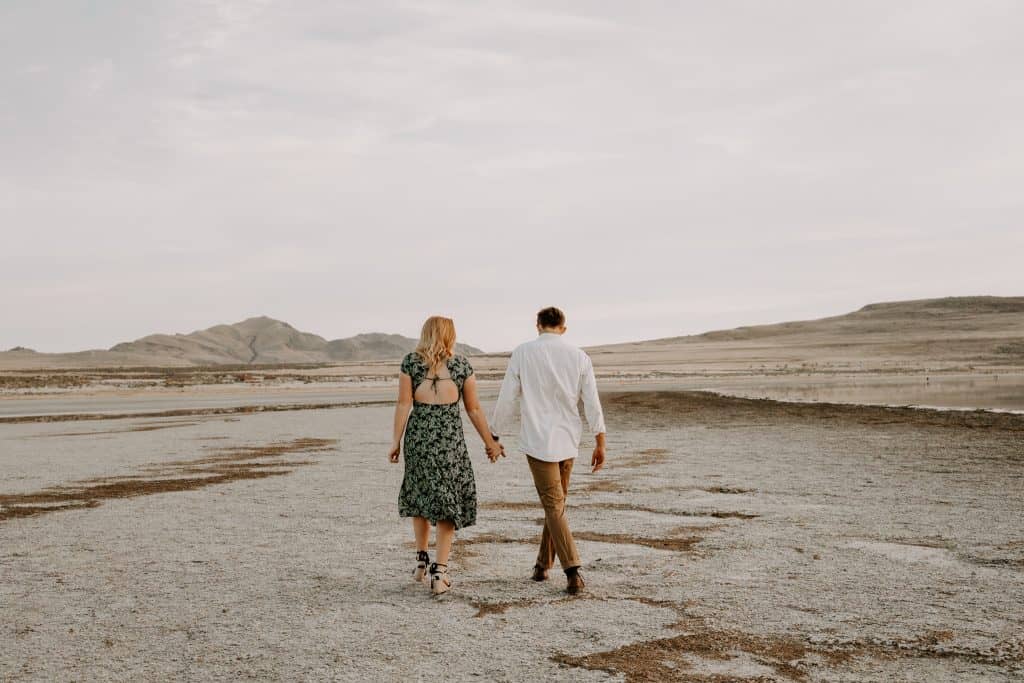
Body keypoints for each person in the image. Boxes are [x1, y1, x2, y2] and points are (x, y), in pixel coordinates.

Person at [490, 306, 607, 595]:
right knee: (556, 505)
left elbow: (508, 396)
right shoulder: (579, 356)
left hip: (539, 441)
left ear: (538, 326)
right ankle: (542, 565)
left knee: (554, 506)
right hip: (568, 440)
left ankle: (573, 570)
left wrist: (494, 432)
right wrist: (600, 439)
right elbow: (591, 400)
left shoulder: (523, 352)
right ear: (563, 328)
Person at [389, 316, 503, 596]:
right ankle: (439, 572)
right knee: (447, 502)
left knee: (419, 495)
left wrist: (396, 441)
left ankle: (421, 561)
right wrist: (490, 443)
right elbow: (474, 409)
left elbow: (404, 403)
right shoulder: (462, 365)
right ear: (450, 335)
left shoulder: (411, 363)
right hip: (449, 443)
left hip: (419, 441)